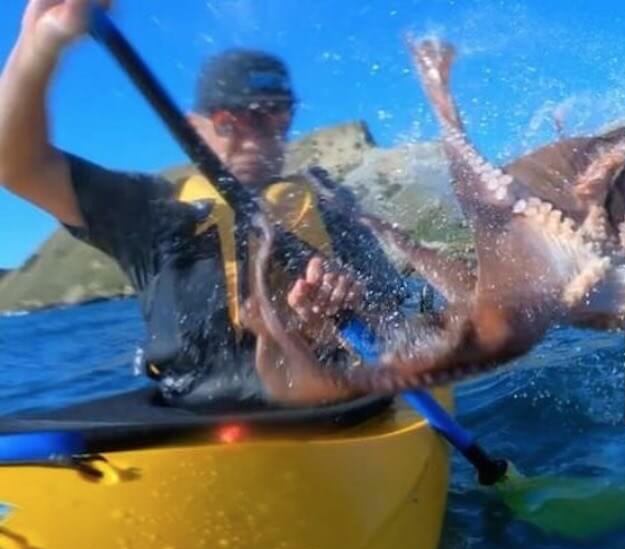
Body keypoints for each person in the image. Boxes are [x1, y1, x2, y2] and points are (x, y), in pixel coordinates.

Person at [0, 0, 404, 408]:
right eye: (231, 120)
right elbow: (18, 165)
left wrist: (339, 317)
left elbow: (400, 325)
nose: (254, 135)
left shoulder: (333, 209)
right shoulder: (150, 210)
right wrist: (39, 45)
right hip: (192, 419)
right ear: (196, 128)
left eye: (272, 117)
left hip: (334, 411)